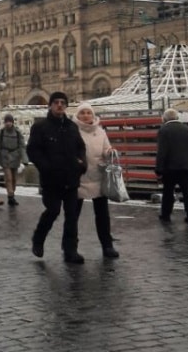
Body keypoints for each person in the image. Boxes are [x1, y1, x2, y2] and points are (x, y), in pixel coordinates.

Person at [27, 92, 87, 264]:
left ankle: (70, 250)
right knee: (53, 211)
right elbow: (33, 151)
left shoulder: (71, 126)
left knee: (72, 215)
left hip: (71, 178)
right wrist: (45, 167)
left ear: (66, 106)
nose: (59, 105)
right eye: (56, 102)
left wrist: (82, 164)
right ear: (50, 105)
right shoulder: (40, 127)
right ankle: (38, 239)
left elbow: (80, 147)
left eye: (62, 102)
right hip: (51, 179)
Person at [73, 102, 120, 259]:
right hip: (78, 177)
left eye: (89, 112)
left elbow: (106, 148)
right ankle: (71, 248)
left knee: (102, 215)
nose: (86, 115)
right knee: (73, 215)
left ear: (93, 115)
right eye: (83, 112)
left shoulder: (100, 132)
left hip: (98, 176)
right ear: (77, 115)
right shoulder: (72, 131)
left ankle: (107, 246)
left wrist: (110, 152)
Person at [156, 108, 188, 224]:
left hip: (170, 168)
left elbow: (162, 151)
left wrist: (159, 169)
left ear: (164, 119)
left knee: (168, 192)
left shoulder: (164, 130)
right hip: (187, 167)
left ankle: (166, 214)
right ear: (177, 117)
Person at [0, 114, 26, 206]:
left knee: (14, 178)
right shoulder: (1, 133)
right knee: (8, 178)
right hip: (5, 156)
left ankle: (11, 195)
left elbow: (22, 146)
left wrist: (25, 159)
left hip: (15, 157)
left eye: (9, 121)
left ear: (12, 122)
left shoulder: (17, 132)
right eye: (6, 121)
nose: (8, 123)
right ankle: (10, 195)